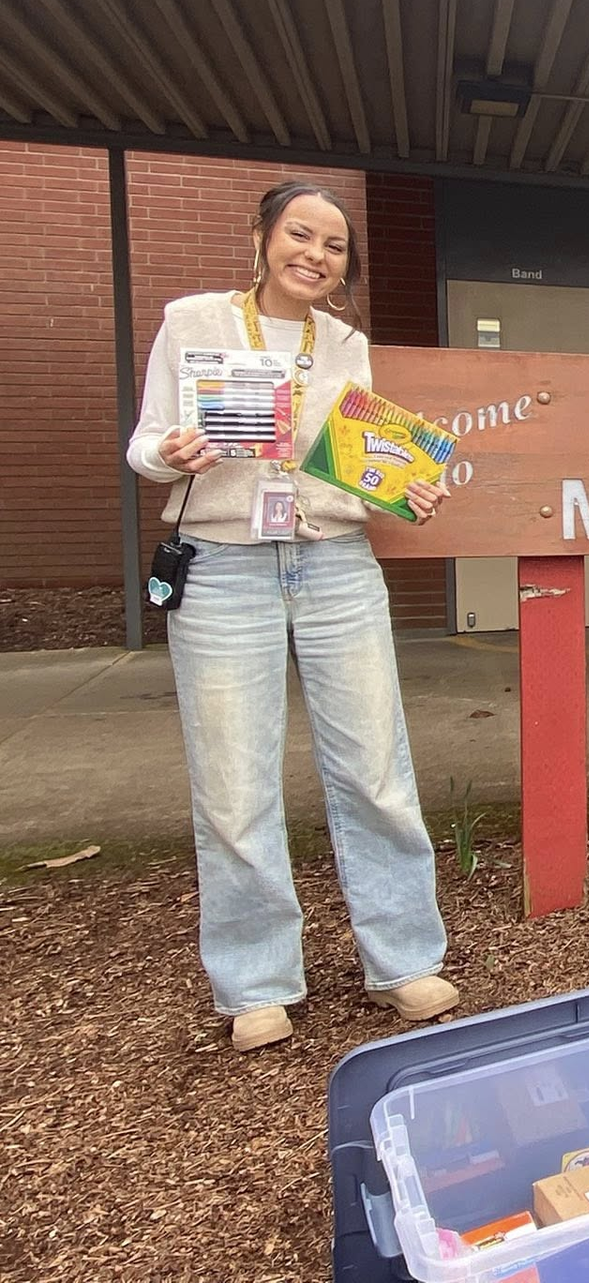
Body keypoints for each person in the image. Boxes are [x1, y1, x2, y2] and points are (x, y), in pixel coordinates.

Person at [127, 181, 458, 1053]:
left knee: (376, 767)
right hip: (223, 564)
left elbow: (354, 464)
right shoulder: (193, 321)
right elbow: (145, 442)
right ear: (263, 236)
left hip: (335, 561)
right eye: (299, 234)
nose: (314, 254)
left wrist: (404, 491)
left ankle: (403, 961)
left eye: (334, 246)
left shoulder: (345, 343)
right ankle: (256, 983)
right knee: (234, 783)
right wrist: (167, 454)